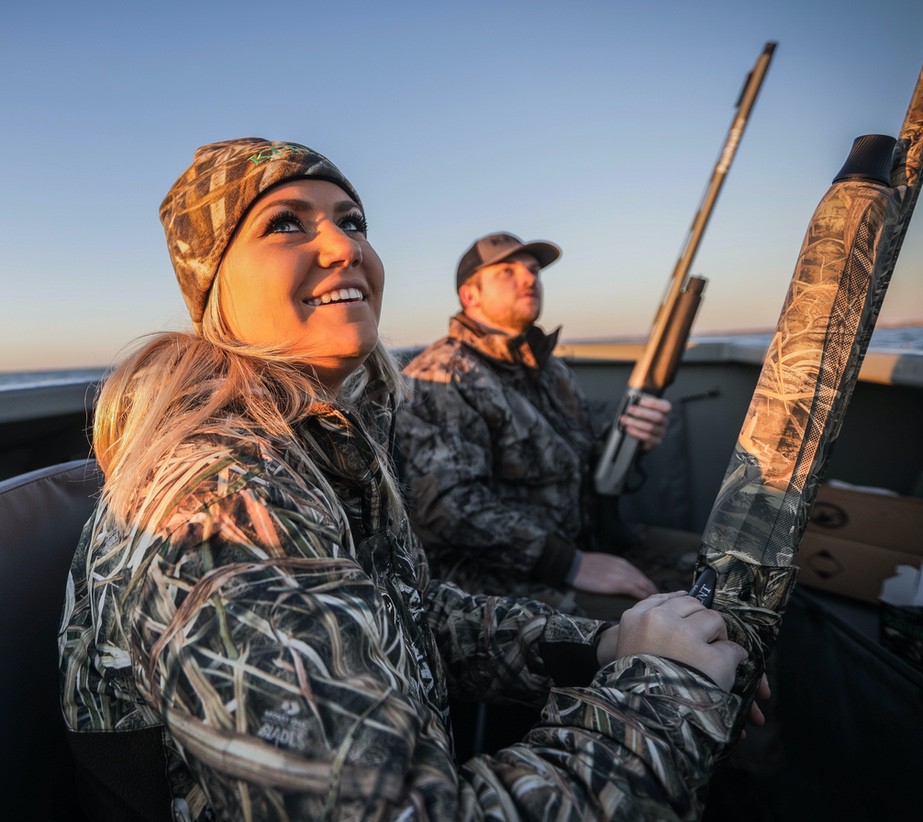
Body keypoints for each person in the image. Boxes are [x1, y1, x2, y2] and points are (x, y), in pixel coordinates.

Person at [58, 138, 755, 820]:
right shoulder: (223, 500)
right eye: (285, 223)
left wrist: (598, 647)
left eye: (352, 221)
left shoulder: (325, 436)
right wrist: (666, 689)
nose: (343, 246)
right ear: (213, 287)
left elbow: (411, 620)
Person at [395, 232, 698, 619]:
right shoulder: (441, 376)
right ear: (470, 296)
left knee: (719, 566)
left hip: (585, 541)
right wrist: (571, 564)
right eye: (507, 271)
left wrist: (631, 443)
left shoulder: (552, 370)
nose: (529, 278)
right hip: (496, 577)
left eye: (534, 270)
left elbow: (579, 461)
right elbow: (449, 510)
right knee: (661, 622)